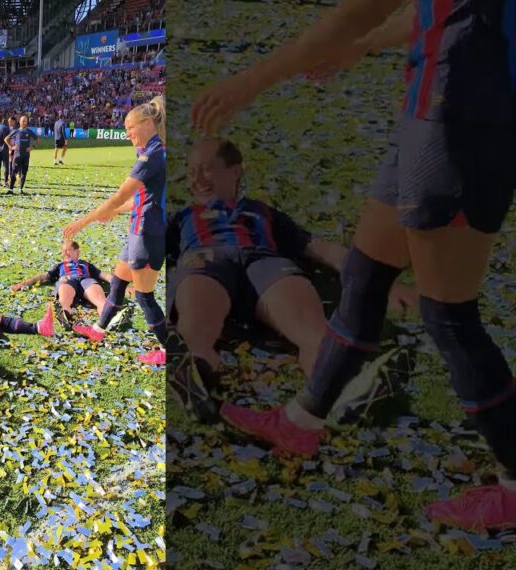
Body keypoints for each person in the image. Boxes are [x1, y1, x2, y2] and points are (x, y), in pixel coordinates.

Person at [192, 0, 516, 530]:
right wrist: (365, 45)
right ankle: (301, 420)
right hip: (428, 115)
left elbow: (358, 10)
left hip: (463, 120)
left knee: (449, 317)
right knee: (364, 280)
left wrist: (252, 80)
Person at [169, 138, 417, 422]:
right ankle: (194, 379)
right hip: (206, 259)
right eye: (191, 172)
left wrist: (380, 281)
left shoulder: (263, 213)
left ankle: (345, 394)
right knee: (196, 325)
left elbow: (321, 249)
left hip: (266, 262)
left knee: (313, 331)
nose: (196, 179)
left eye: (206, 170)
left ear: (235, 171)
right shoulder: (182, 218)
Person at [63, 96, 167, 365]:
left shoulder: (152, 154)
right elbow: (142, 200)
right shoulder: (155, 150)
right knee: (118, 284)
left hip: (148, 234)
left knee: (144, 297)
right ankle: (98, 330)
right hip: (139, 232)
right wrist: (115, 212)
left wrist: (82, 222)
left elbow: (121, 195)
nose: (127, 134)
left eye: (130, 127)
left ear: (146, 123)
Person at [10, 239, 128, 330]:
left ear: (77, 251)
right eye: (63, 250)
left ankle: (110, 319)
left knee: (100, 300)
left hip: (86, 280)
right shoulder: (61, 265)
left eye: (67, 249)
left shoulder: (86, 264)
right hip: (67, 279)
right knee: (65, 291)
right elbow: (43, 276)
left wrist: (122, 285)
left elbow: (105, 276)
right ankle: (65, 313)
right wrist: (23, 284)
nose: (64, 252)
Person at [4, 115, 38, 194]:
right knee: (13, 172)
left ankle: (21, 189)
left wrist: (32, 147)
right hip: (17, 156)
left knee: (24, 172)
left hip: (26, 156)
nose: (23, 122)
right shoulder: (16, 131)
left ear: (27, 122)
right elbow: (6, 139)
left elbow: (37, 140)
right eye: (22, 121)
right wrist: (11, 147)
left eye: (25, 121)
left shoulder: (29, 132)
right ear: (19, 122)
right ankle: (11, 189)